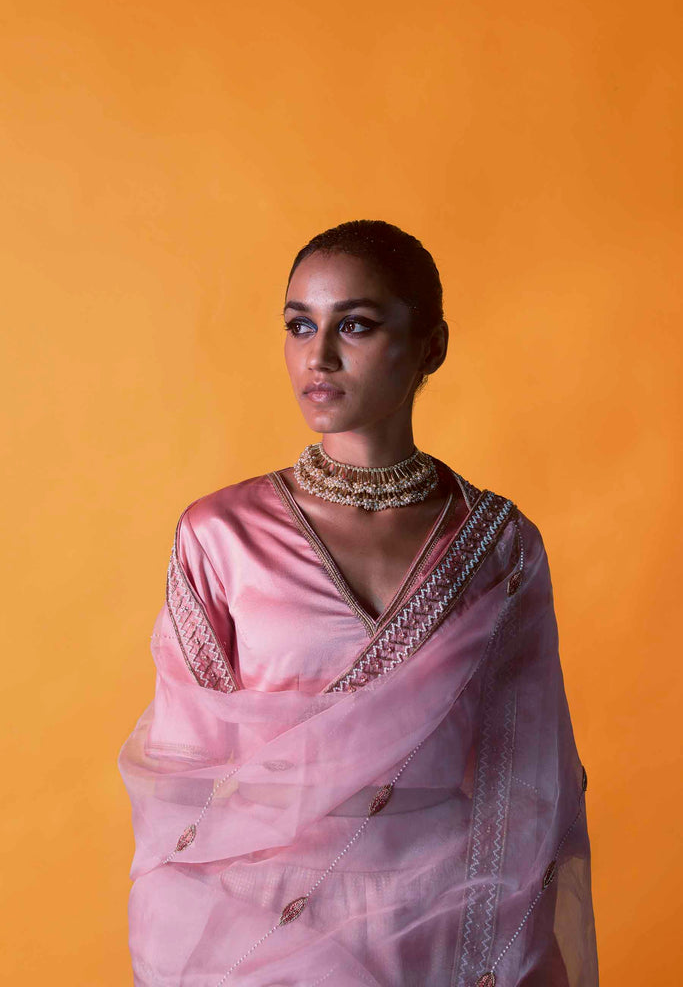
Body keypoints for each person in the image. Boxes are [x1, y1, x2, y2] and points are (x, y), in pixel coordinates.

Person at [118, 220, 599, 987]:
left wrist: (502, 945)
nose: (318, 357)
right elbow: (183, 775)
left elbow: (523, 774)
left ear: (431, 345)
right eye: (298, 326)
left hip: (444, 920)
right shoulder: (221, 534)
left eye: (355, 325)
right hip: (261, 928)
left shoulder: (497, 542)